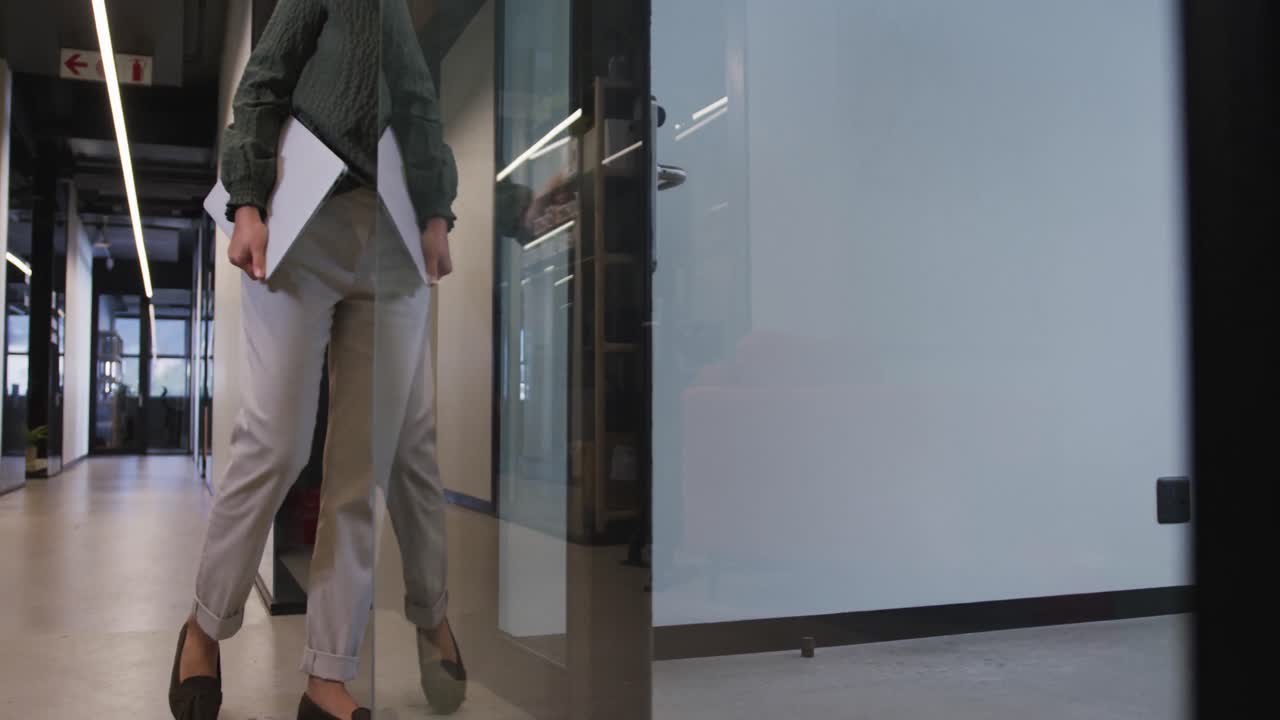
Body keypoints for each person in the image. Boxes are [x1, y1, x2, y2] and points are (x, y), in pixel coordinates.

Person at [168, 2, 464, 719]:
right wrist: (245, 202)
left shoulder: (420, 18)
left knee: (363, 467)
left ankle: (327, 675)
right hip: (303, 225)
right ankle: (204, 626)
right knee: (275, 441)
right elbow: (263, 84)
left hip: (394, 235)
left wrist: (436, 212)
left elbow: (423, 112)